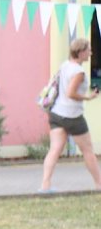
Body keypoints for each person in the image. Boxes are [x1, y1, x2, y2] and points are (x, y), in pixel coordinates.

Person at [39, 37, 101, 192]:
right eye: (88, 50)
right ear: (80, 52)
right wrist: (88, 97)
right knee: (88, 151)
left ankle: (45, 186)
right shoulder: (79, 72)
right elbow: (70, 93)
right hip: (73, 116)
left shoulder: (65, 65)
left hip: (56, 114)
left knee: (54, 150)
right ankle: (99, 184)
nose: (91, 53)